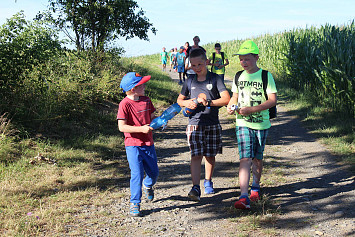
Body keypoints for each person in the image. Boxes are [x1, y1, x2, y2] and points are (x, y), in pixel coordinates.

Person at [226, 40, 277, 209]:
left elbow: (272, 100)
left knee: (257, 158)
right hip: (242, 122)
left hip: (261, 124)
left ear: (256, 57)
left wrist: (252, 109)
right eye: (241, 59)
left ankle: (255, 187)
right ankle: (243, 196)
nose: (243, 62)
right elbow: (234, 96)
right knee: (245, 158)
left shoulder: (265, 76)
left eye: (247, 59)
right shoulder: (238, 76)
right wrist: (231, 105)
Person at [177, 49, 230, 201]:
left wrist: (210, 102)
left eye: (200, 64)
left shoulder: (215, 79)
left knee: (210, 155)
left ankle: (208, 180)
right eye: (193, 65)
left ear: (206, 62)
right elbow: (180, 100)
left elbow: (226, 99)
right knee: (195, 155)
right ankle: (195, 187)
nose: (197, 67)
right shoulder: (189, 81)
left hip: (212, 123)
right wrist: (189, 102)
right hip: (194, 123)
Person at [117, 72, 159, 217]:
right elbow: (122, 127)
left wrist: (160, 123)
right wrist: (141, 129)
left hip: (148, 143)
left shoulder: (147, 100)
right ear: (134, 88)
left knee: (154, 173)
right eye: (142, 84)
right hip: (132, 145)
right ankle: (135, 202)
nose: (145, 85)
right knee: (137, 174)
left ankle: (148, 185)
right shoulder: (124, 104)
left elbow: (153, 118)